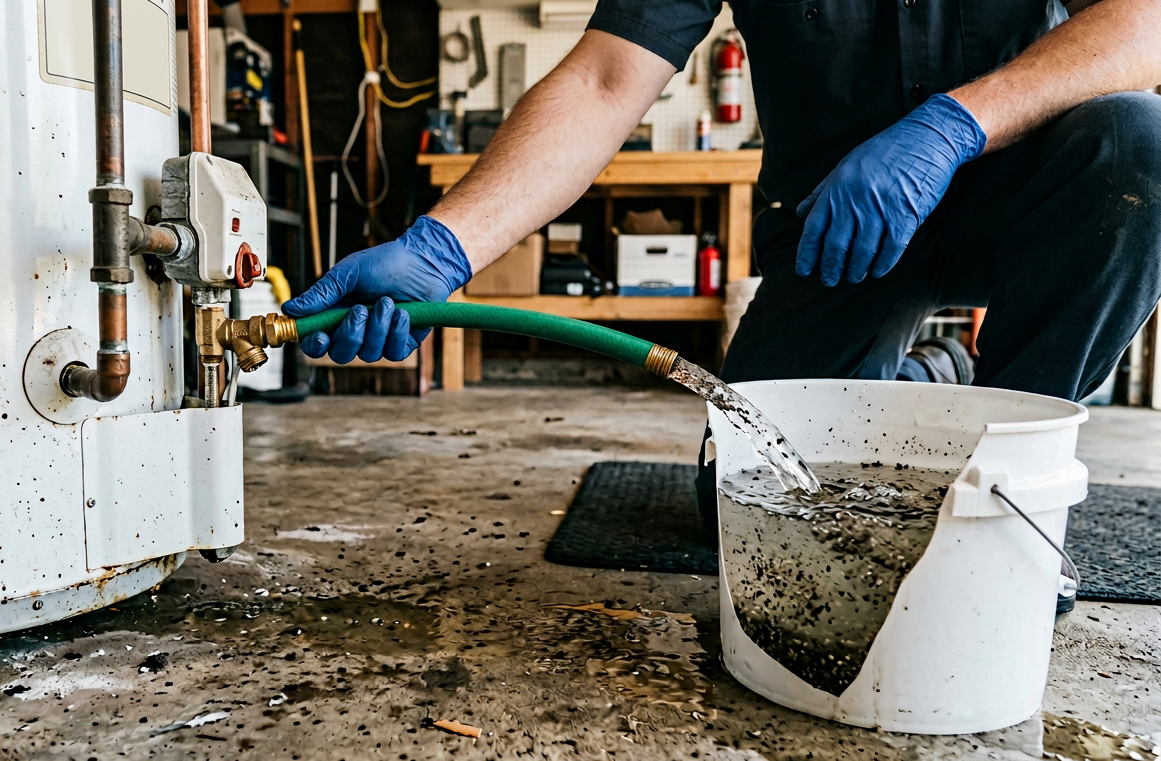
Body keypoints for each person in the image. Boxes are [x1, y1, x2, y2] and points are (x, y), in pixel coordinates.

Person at [282, 1, 1161, 601]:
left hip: (1033, 198)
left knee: (1140, 143)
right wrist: (444, 247)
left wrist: (954, 124)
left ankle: (1021, 483)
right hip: (838, 231)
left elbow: (1143, 21)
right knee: (754, 512)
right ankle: (939, 370)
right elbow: (603, 79)